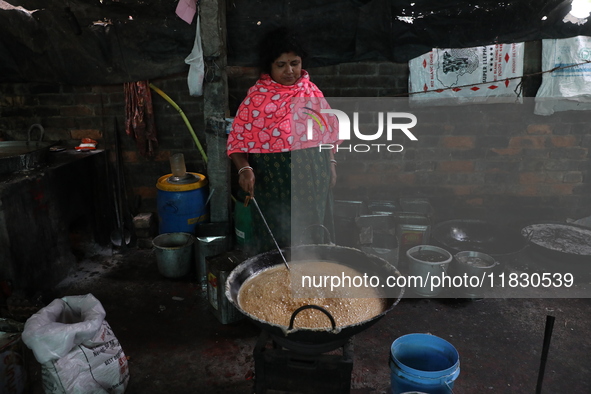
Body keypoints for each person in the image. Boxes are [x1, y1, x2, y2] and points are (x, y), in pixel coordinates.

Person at [227, 27, 340, 256]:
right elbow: (237, 142)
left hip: (313, 175)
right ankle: (274, 275)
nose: (289, 71)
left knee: (312, 230)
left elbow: (327, 133)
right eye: (281, 65)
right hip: (273, 180)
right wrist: (245, 169)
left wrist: (331, 164)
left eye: (294, 63)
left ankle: (313, 271)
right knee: (277, 233)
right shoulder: (256, 100)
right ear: (269, 67)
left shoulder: (312, 92)